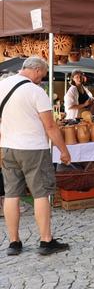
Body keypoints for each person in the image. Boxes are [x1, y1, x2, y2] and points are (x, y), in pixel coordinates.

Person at [0, 57, 72, 256]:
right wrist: (64, 151)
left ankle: (14, 242)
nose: (43, 78)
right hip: (33, 148)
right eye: (43, 74)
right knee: (41, 193)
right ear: (37, 70)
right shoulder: (36, 91)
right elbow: (50, 126)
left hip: (8, 147)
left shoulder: (1, 85)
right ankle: (46, 240)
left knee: (12, 194)